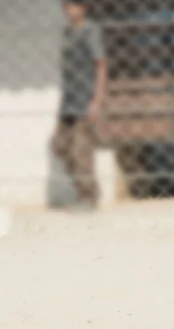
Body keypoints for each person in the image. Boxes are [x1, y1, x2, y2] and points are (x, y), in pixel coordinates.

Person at [51, 0, 107, 211]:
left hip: (85, 99)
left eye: (73, 5)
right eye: (66, 5)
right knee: (60, 146)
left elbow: (101, 64)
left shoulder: (90, 31)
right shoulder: (67, 32)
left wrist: (97, 100)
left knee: (82, 150)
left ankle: (88, 197)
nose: (68, 9)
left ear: (84, 8)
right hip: (68, 100)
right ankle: (83, 189)